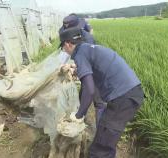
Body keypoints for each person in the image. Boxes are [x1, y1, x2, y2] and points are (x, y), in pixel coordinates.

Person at [59, 27, 144, 158]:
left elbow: (89, 89)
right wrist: (77, 71)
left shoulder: (80, 54)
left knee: (100, 149)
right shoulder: (87, 48)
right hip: (129, 93)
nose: (64, 50)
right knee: (105, 141)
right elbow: (94, 68)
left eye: (63, 47)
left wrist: (79, 115)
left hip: (123, 98)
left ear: (68, 44)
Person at [59, 14, 104, 127]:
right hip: (80, 63)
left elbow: (88, 61)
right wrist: (64, 65)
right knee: (83, 94)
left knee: (98, 101)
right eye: (66, 30)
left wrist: (76, 68)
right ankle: (80, 118)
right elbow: (64, 50)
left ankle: (99, 133)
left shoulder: (87, 38)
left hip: (94, 69)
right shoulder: (64, 33)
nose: (67, 32)